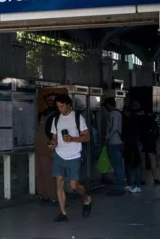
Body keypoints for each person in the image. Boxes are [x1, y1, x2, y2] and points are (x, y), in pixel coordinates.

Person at [48, 93, 93, 221]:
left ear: (68, 105)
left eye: (62, 106)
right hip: (59, 154)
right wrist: (52, 144)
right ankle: (63, 213)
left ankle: (86, 199)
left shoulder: (78, 118)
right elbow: (54, 137)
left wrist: (73, 138)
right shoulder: (56, 119)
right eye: (58, 107)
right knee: (59, 183)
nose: (60, 109)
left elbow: (87, 137)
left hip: (74, 156)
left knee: (74, 186)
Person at [100, 97, 126, 194]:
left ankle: (119, 185)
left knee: (116, 164)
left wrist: (107, 138)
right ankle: (120, 183)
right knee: (118, 164)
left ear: (108, 105)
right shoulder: (119, 113)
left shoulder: (113, 114)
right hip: (118, 142)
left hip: (114, 142)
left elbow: (113, 127)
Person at [122, 101, 143, 193]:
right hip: (135, 142)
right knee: (135, 164)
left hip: (131, 143)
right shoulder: (138, 118)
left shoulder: (130, 119)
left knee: (131, 164)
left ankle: (135, 185)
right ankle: (135, 184)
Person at [139, 106, 160, 186]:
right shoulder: (152, 119)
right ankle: (155, 178)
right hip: (151, 141)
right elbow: (157, 133)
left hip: (143, 141)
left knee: (143, 161)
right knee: (152, 160)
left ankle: (143, 179)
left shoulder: (141, 119)